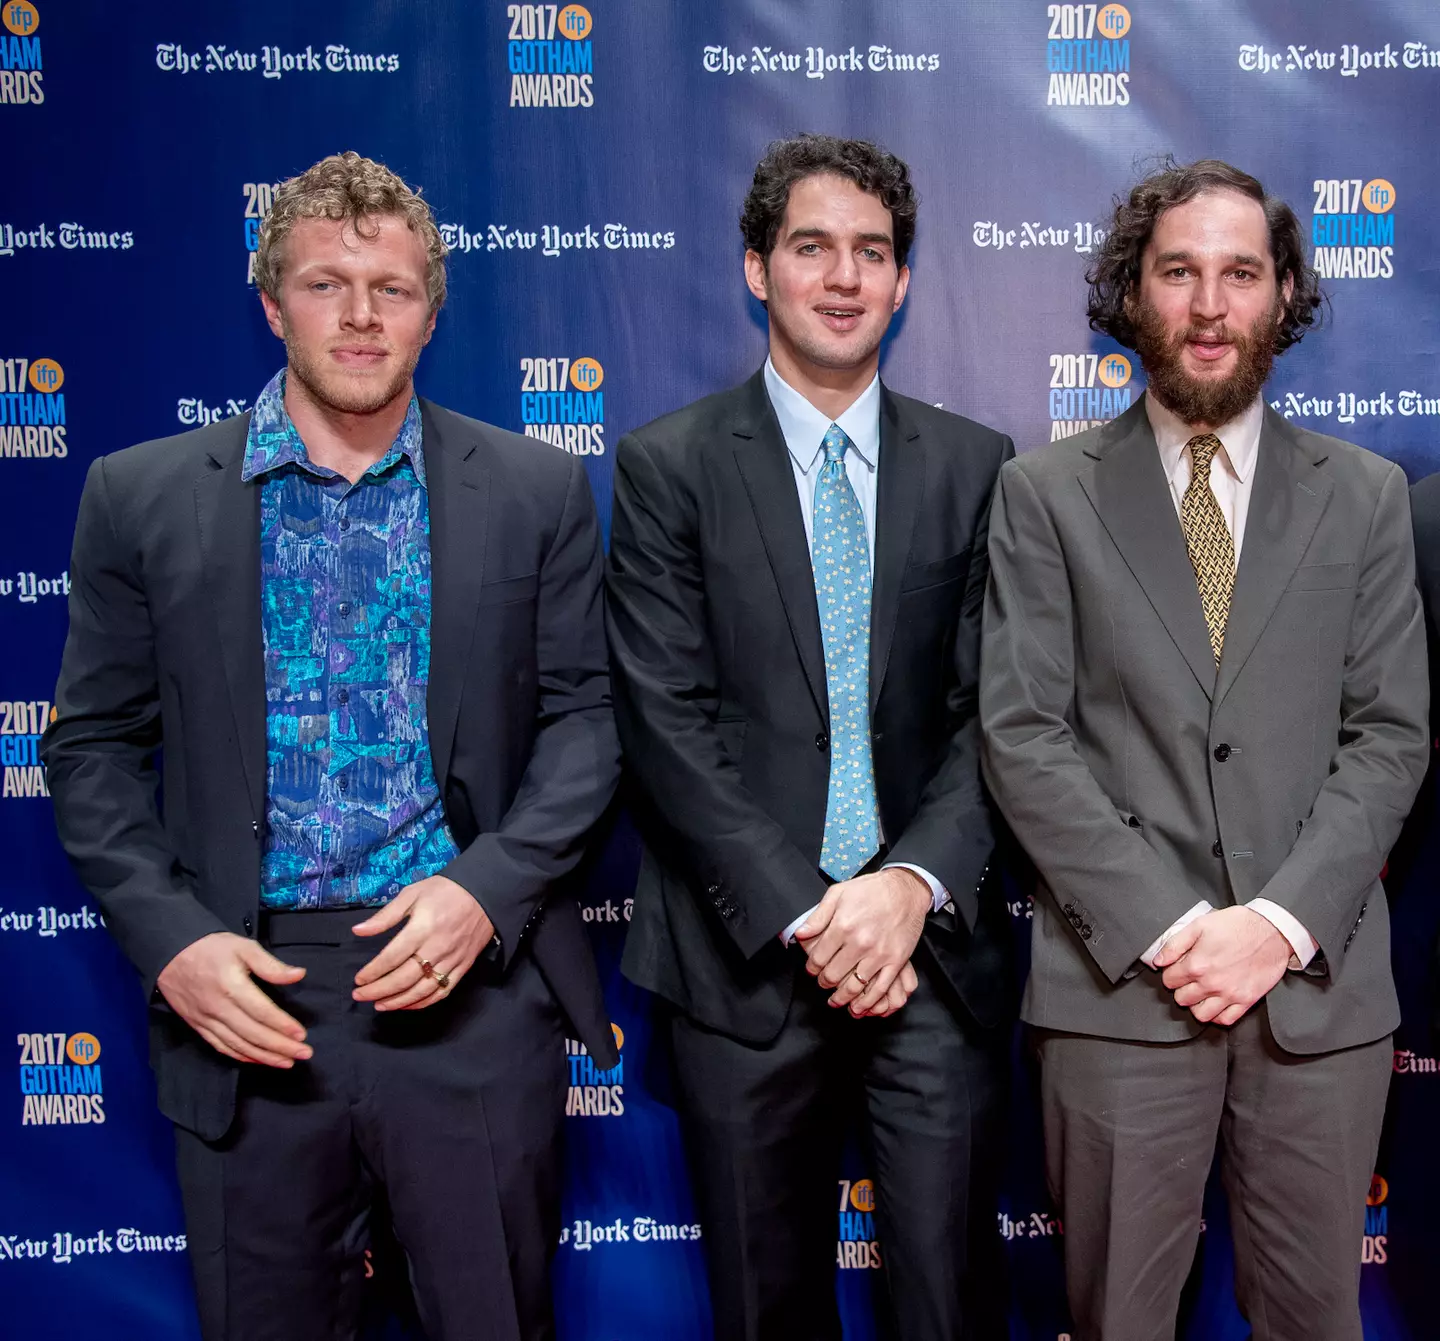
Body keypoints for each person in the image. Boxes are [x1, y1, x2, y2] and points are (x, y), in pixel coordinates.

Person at [41, 151, 619, 1341]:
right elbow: (90, 749)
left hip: (466, 978)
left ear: (431, 309)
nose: (360, 315)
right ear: (270, 302)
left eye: (392, 288)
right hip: (248, 999)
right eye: (324, 284)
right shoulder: (139, 495)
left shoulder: (534, 487)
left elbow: (589, 724)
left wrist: (483, 894)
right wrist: (176, 946)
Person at [980, 157, 1429, 1340]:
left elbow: (1390, 735)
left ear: (1285, 294)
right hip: (1124, 992)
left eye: (1242, 273)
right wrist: (1180, 934)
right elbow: (1023, 734)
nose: (1211, 305)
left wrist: (1274, 927)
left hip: (1317, 1001)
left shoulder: (1371, 494)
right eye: (1180, 272)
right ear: (1134, 293)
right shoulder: (1044, 494)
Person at [606, 133, 1014, 1340]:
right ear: (755, 268)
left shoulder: (979, 466)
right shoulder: (665, 467)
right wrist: (812, 912)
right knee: (762, 1307)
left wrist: (901, 890)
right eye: (811, 247)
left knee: (949, 1304)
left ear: (901, 283)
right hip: (743, 957)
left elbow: (996, 714)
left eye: (871, 253)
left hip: (929, 958)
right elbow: (663, 724)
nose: (842, 277)